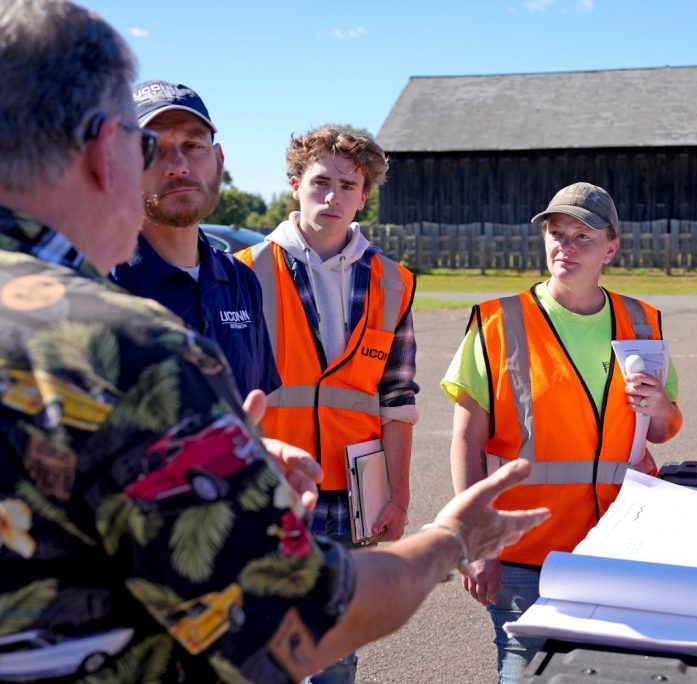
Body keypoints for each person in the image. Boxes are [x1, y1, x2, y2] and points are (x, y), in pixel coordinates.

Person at [0, 2, 548, 682]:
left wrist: (245, 453)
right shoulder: (126, 350)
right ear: (100, 149)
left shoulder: (346, 280)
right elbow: (297, 618)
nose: (166, 167)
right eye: (143, 146)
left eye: (191, 147)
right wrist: (451, 542)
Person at [443, 182, 684, 683]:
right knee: (524, 674)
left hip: (618, 549)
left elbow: (662, 430)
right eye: (556, 234)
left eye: (582, 236)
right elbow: (466, 440)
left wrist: (660, 404)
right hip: (525, 555)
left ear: (611, 249)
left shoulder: (641, 322)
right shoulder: (497, 323)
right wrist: (474, 542)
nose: (565, 247)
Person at [235, 125, 417, 683]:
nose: (332, 196)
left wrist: (399, 491)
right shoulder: (242, 271)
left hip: (350, 493)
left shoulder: (394, 282)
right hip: (269, 486)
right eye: (320, 182)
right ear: (294, 185)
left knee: (337, 641)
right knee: (256, 635)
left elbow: (398, 398)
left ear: (364, 197)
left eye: (348, 185)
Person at [110, 80, 280, 399]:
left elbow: (254, 410)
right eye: (154, 150)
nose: (178, 167)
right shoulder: (94, 286)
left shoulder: (240, 281)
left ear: (218, 159)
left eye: (193, 146)